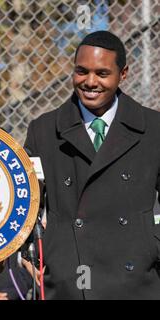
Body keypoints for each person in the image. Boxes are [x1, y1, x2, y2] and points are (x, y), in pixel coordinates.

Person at [23, 30, 160, 299]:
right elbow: (27, 201)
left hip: (138, 277)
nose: (90, 81)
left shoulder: (154, 128)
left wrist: (151, 245)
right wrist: (38, 249)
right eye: (81, 71)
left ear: (123, 74)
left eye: (102, 73)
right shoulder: (44, 130)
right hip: (68, 277)